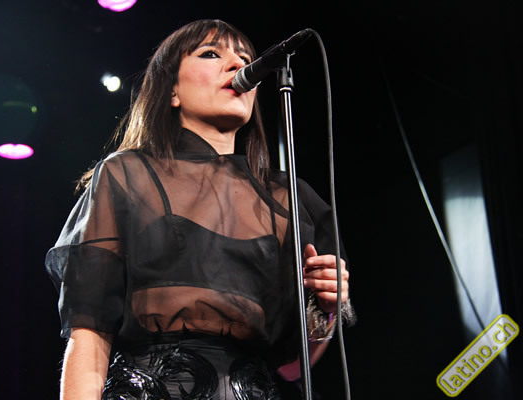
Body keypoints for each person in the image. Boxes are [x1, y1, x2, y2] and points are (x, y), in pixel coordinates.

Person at [45, 19, 354, 400]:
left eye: (245, 60)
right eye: (211, 54)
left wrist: (326, 310)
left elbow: (292, 368)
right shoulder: (128, 174)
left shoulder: (289, 198)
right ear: (172, 91)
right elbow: (89, 332)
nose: (236, 66)